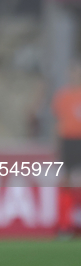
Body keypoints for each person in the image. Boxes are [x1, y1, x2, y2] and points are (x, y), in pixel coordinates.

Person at [52, 62, 81, 236]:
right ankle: (64, 225)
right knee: (66, 181)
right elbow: (58, 123)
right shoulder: (62, 96)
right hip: (67, 141)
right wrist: (56, 146)